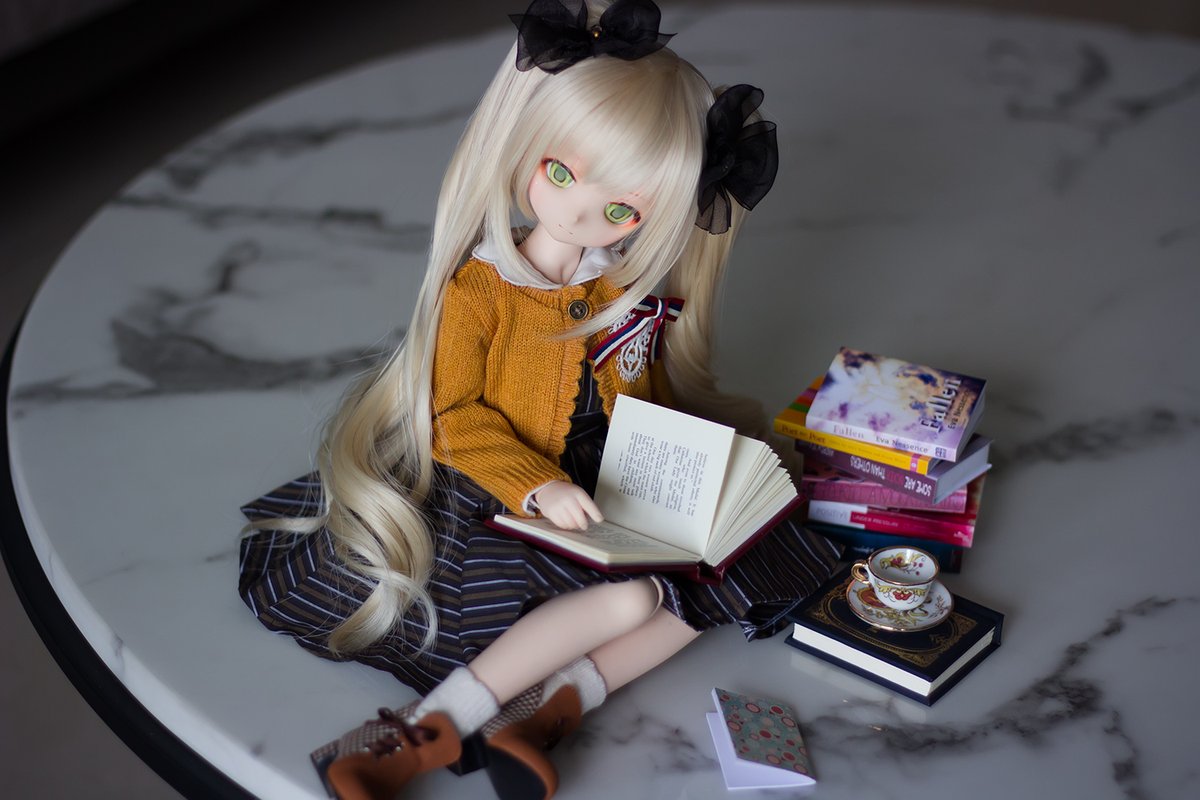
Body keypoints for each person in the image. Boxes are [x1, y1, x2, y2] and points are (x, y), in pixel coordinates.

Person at [237, 2, 839, 798]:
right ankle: (426, 730)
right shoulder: (481, 289)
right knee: (631, 603)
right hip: (495, 488)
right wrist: (536, 484)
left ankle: (547, 713)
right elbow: (451, 415)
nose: (581, 213)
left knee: (722, 574)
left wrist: (694, 465)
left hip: (607, 485)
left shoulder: (622, 291)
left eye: (621, 210)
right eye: (561, 173)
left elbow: (642, 392)